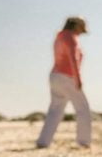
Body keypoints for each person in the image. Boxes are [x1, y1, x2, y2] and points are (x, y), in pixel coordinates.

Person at [36, 17, 92, 148]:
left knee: (55, 110)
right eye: (81, 29)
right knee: (82, 108)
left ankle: (43, 141)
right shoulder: (71, 38)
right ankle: (83, 141)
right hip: (67, 76)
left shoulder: (59, 37)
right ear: (76, 26)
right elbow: (73, 59)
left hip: (55, 75)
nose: (81, 32)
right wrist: (78, 79)